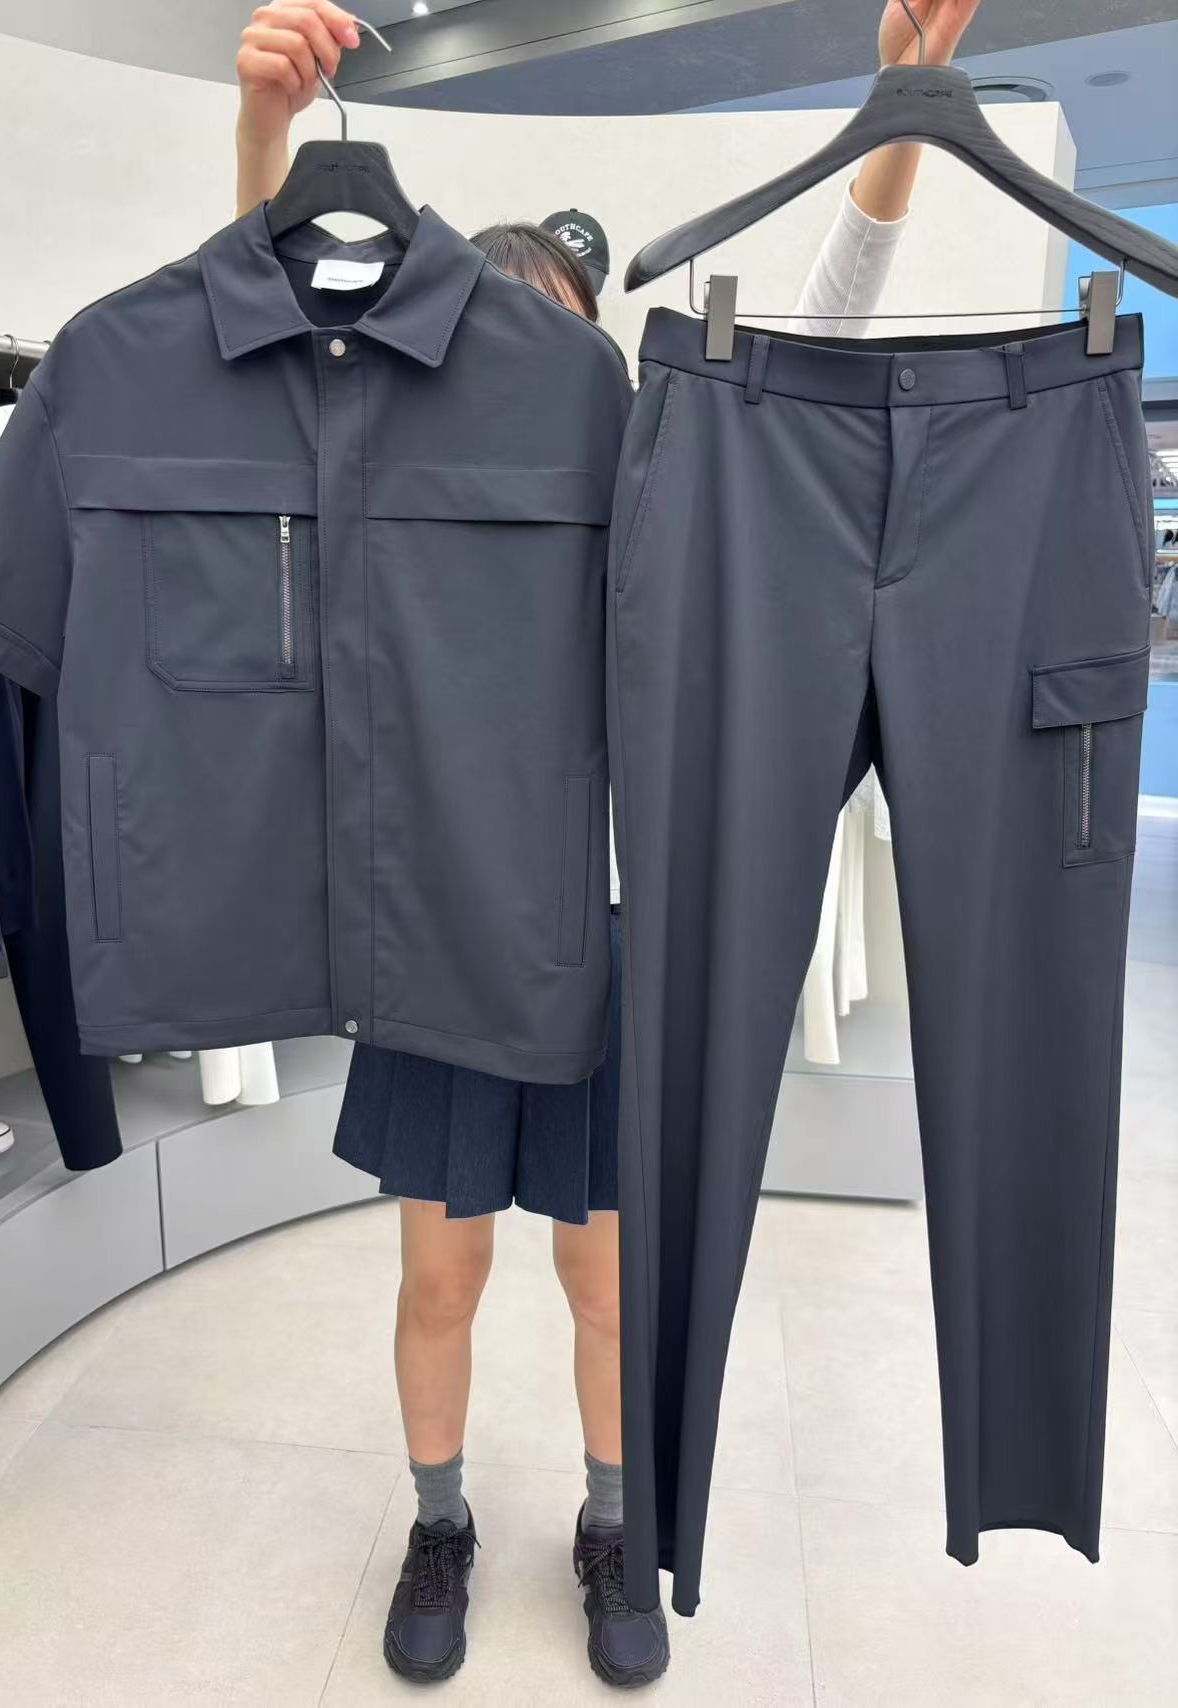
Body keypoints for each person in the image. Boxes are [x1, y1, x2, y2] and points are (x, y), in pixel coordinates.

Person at [233, 0, 978, 1687]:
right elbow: (265, 347)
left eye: (550, 342)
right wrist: (267, 145)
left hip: (614, 939)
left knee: (605, 1282)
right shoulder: (384, 496)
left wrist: (901, 124)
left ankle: (611, 1523)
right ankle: (439, 1523)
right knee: (440, 1274)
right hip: (441, 936)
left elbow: (814, 350)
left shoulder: (660, 484)